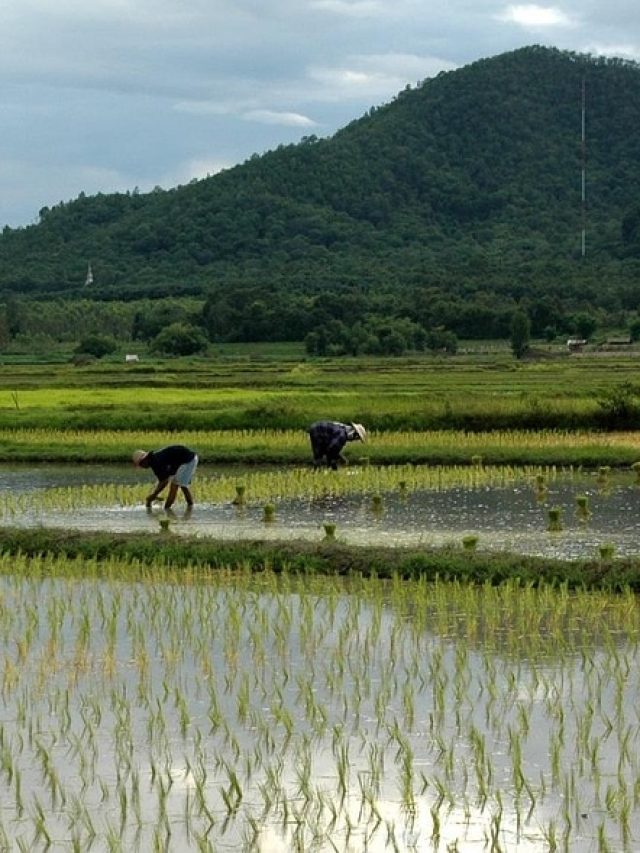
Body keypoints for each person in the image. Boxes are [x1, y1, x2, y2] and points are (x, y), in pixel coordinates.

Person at [132, 445, 198, 509]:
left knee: (174, 485)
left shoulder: (156, 461)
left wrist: (154, 495)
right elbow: (161, 480)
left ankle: (167, 510)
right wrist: (154, 495)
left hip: (188, 460)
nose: (142, 467)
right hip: (186, 460)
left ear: (145, 460)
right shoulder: (154, 460)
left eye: (141, 464)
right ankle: (190, 507)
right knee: (183, 486)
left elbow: (164, 482)